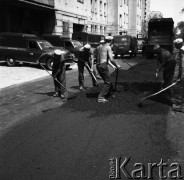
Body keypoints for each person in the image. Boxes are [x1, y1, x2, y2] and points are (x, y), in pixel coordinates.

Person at [96, 36, 121, 103]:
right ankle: (101, 97)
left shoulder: (99, 47)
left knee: (107, 80)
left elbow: (103, 58)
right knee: (108, 82)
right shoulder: (108, 47)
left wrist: (113, 66)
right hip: (103, 66)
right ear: (111, 41)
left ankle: (109, 93)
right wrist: (116, 65)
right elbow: (111, 59)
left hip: (98, 66)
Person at [172, 38, 184, 110]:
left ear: (179, 44)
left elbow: (182, 66)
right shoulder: (181, 51)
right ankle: (182, 104)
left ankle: (182, 106)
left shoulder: (182, 51)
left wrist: (180, 76)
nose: (174, 46)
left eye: (175, 45)